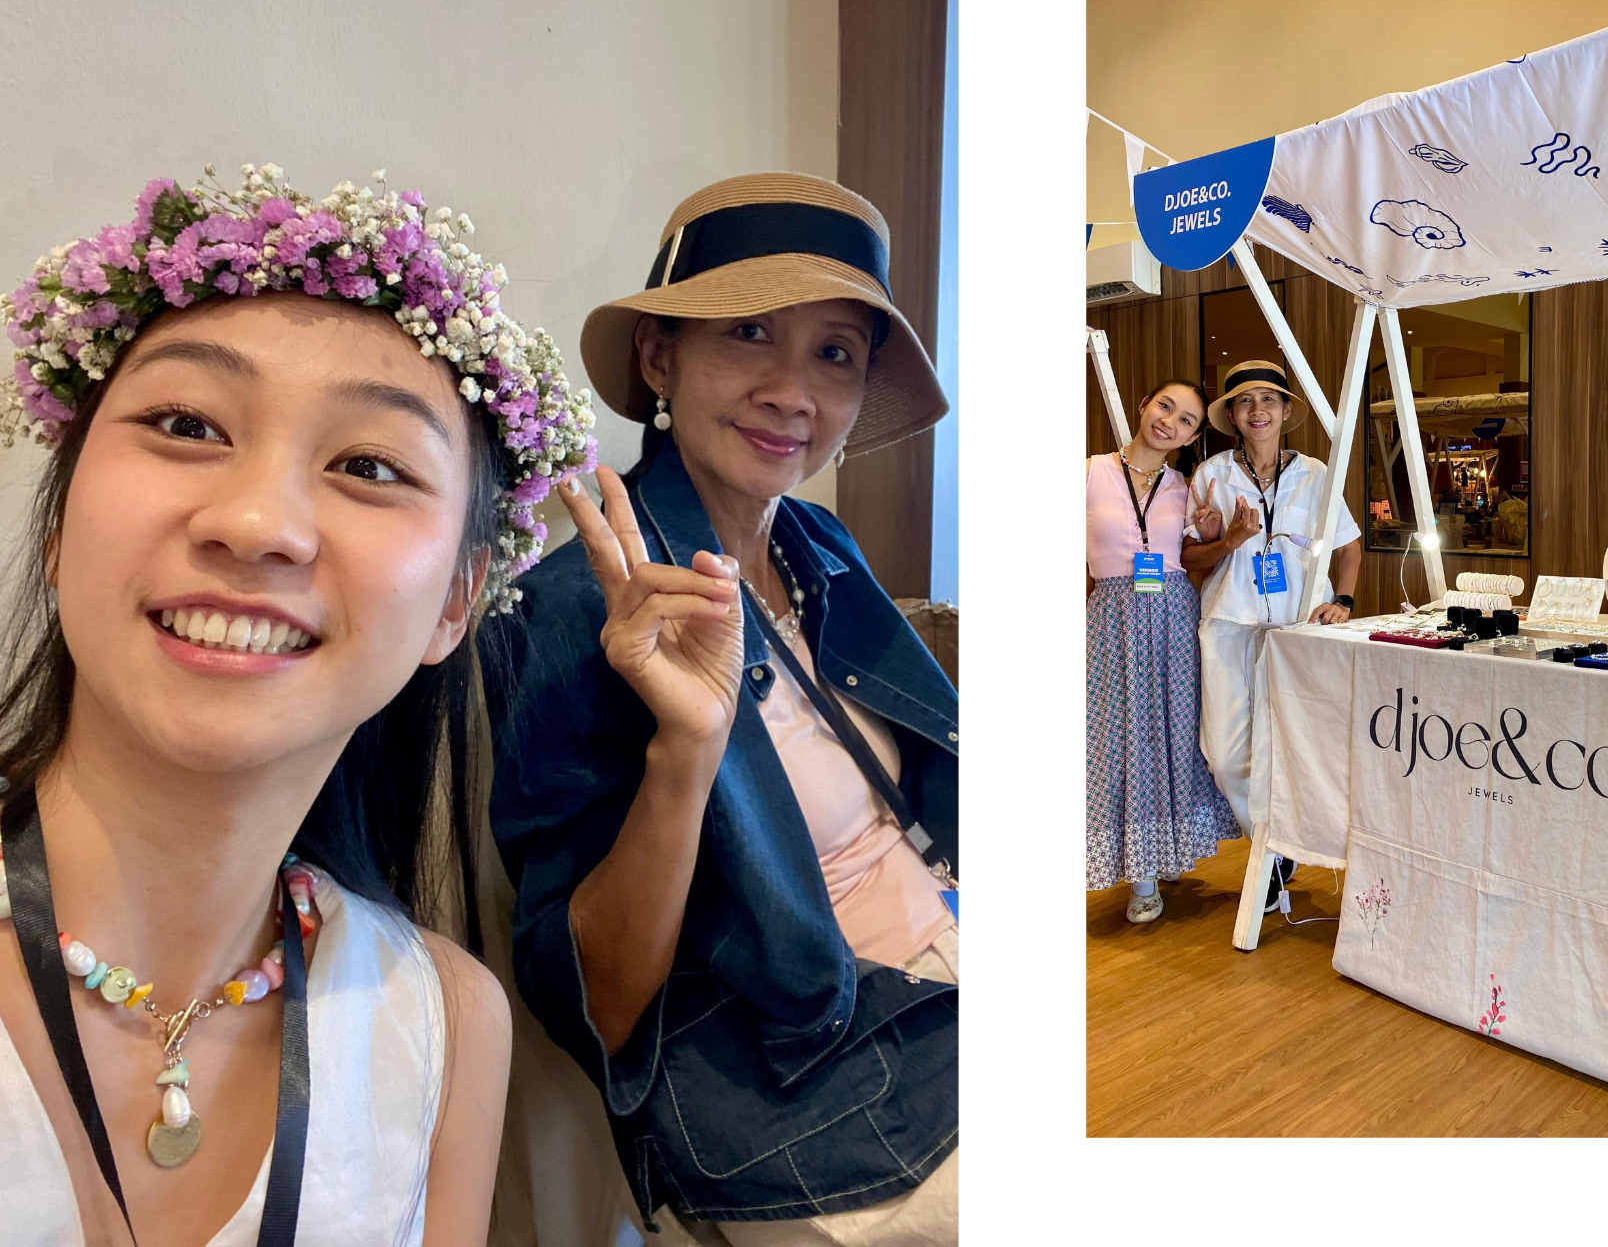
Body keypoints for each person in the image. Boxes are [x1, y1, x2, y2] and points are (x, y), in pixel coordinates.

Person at [0, 164, 594, 1244]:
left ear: (454, 607)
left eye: (368, 463)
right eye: (185, 423)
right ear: (58, 529)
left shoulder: (447, 1026)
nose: (259, 522)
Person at [486, 173, 958, 1244]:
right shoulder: (574, 611)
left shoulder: (814, 542)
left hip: (942, 968)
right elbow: (599, 1005)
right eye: (750, 332)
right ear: (659, 357)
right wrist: (686, 751)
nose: (794, 391)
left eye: (835, 352)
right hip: (794, 1053)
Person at [1183, 360, 1362, 912]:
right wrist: (1231, 539)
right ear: (1232, 416)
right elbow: (1191, 561)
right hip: (1229, 623)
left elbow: (1350, 548)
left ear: (1286, 410)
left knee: (1302, 745)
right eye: (1244, 401)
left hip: (1299, 627)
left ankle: (1272, 863)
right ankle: (1277, 848)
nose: (1257, 410)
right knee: (1224, 751)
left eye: (1268, 399)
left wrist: (1343, 601)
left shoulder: (1315, 472)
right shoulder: (1210, 474)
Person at [1085, 380, 1238, 924]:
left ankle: (1165, 847)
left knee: (1174, 735)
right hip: (1113, 618)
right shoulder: (1089, 471)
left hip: (1174, 615)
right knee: (1120, 739)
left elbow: (1192, 559)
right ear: (1144, 403)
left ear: (1191, 436)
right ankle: (1141, 872)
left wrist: (1222, 537)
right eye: (1165, 407)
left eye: (1187, 420)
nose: (1170, 422)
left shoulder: (1186, 487)